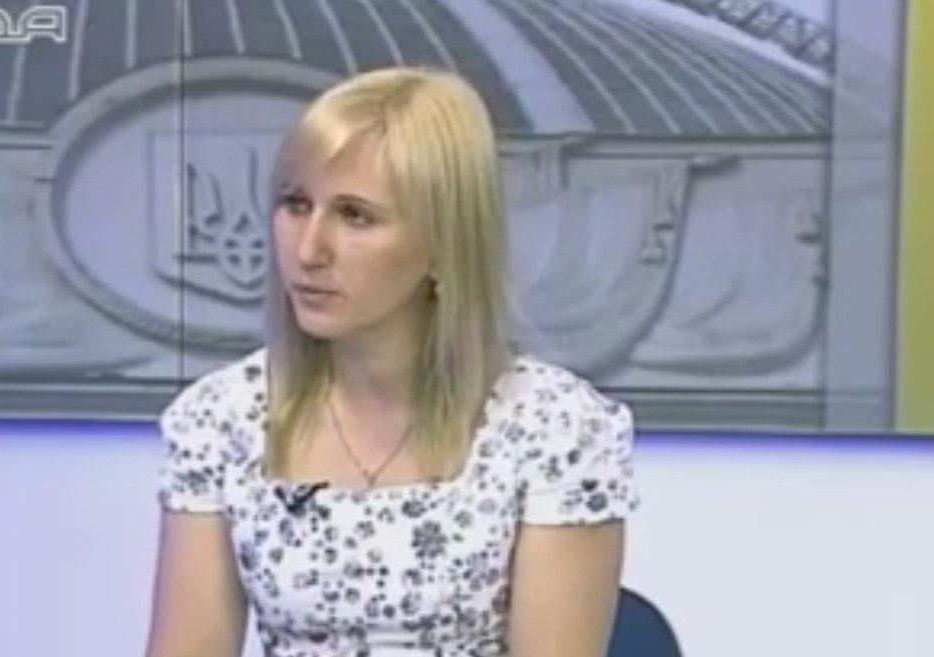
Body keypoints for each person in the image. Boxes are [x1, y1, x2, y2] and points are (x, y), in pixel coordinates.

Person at [146, 67, 639, 657]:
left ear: (444, 243)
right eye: (296, 205)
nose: (309, 250)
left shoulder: (555, 429)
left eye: (355, 215)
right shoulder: (221, 419)